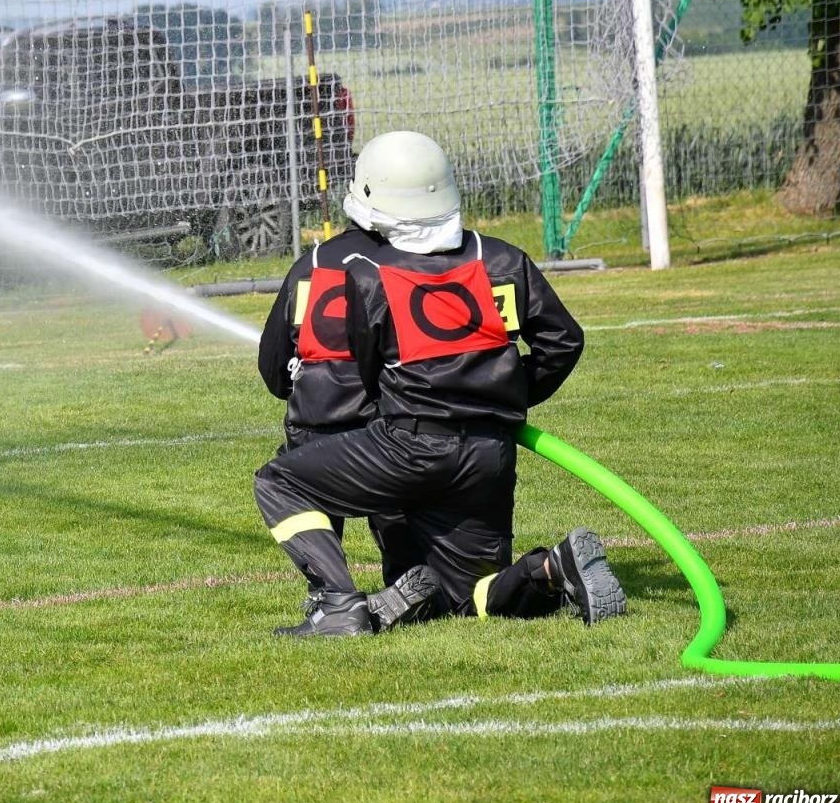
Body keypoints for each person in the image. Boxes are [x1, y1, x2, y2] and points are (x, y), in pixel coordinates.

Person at [252, 130, 626, 637]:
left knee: (280, 480)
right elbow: (563, 340)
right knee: (464, 597)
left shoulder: (364, 274)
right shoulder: (501, 258)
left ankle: (338, 602)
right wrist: (503, 400)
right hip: (489, 453)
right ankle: (550, 568)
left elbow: (366, 375)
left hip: (408, 444)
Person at [257, 223, 442, 632]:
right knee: (398, 506)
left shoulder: (311, 264)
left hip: (313, 427)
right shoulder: (410, 263)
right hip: (387, 429)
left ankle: (329, 591)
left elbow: (273, 370)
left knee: (289, 483)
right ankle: (408, 577)